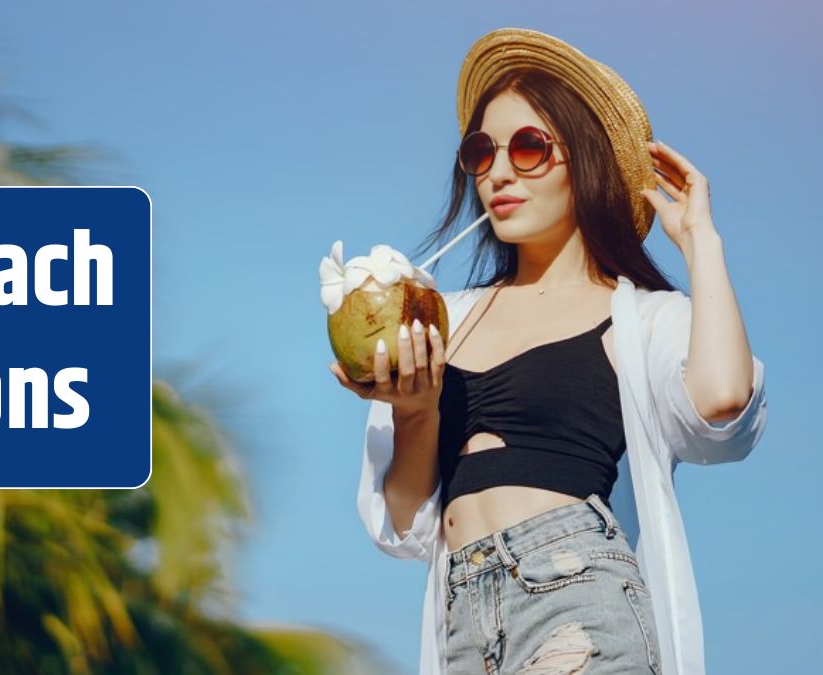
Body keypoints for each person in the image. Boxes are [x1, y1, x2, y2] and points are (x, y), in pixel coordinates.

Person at [328, 28, 768, 675]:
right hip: (464, 616)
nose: (499, 171)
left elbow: (723, 407)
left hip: (575, 595)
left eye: (529, 147)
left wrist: (702, 244)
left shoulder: (642, 316)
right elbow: (405, 523)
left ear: (585, 159)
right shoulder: (445, 316)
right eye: (482, 152)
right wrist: (415, 409)